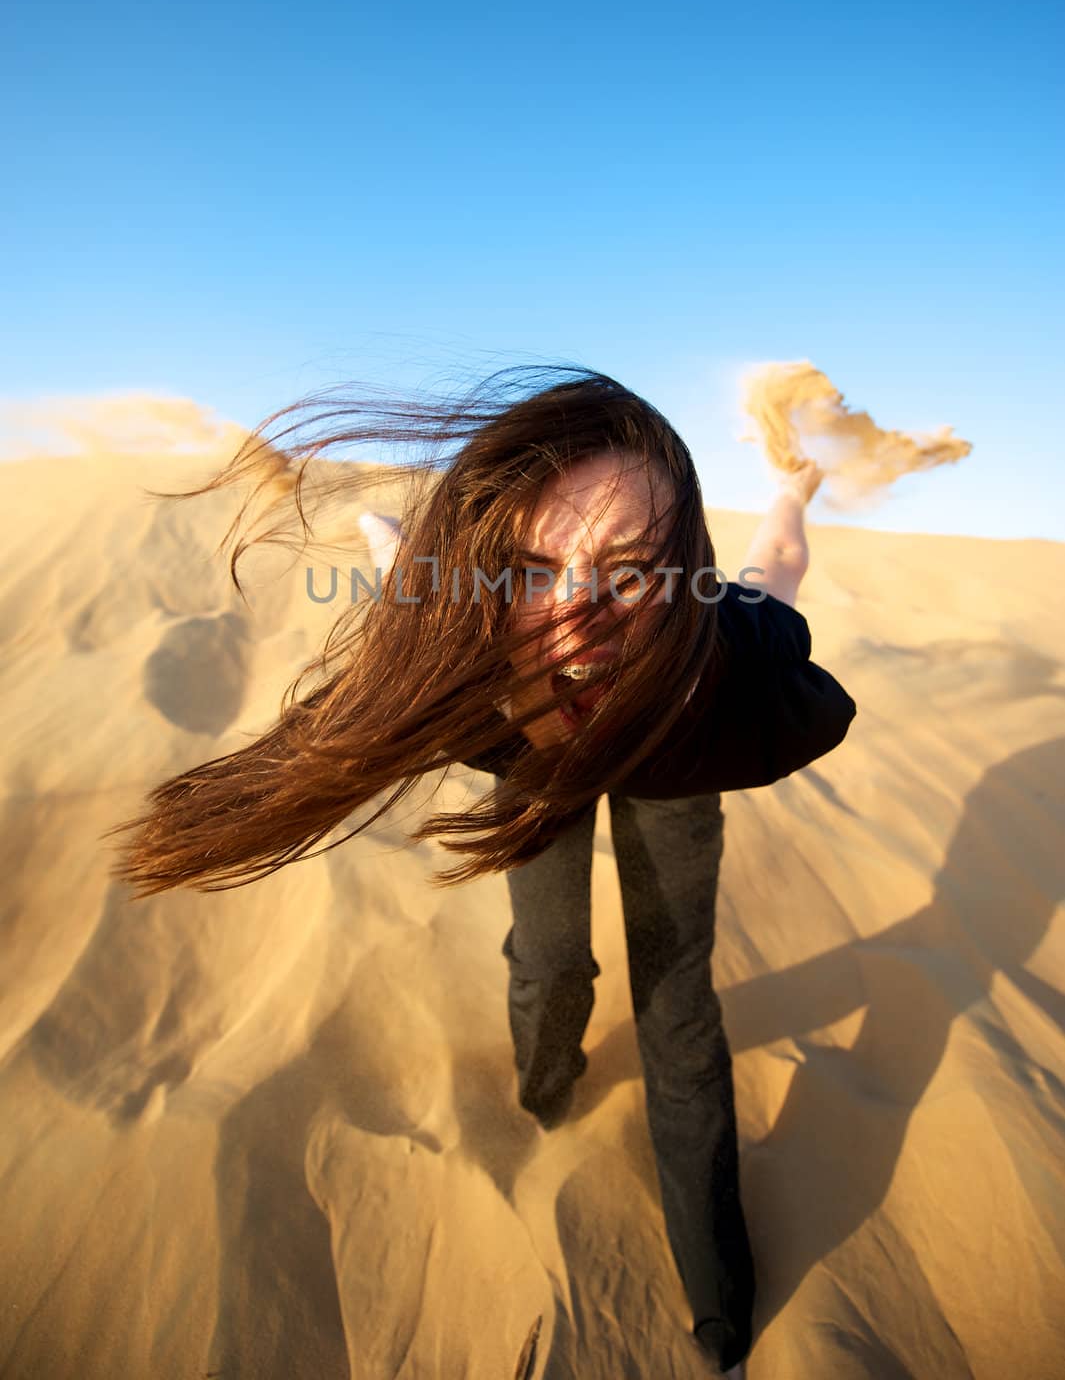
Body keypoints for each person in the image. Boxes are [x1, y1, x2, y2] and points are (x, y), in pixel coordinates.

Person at [115, 368, 855, 1377]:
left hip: (679, 758)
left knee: (677, 1009)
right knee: (550, 960)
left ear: (684, 572)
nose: (574, 617)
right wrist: (394, 542)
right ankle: (546, 1088)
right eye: (532, 567)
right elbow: (414, 582)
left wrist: (791, 497)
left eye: (632, 567)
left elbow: (776, 566)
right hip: (532, 760)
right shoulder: (463, 642)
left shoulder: (736, 667)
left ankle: (718, 1288)